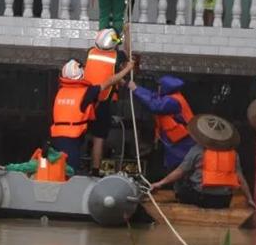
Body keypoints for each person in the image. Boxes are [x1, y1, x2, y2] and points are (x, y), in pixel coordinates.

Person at [149, 114, 255, 210]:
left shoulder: (197, 150)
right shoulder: (233, 153)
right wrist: (249, 198)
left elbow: (180, 171)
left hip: (201, 197)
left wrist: (160, 183)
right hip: (224, 199)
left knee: (180, 182)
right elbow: (241, 178)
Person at [49, 57, 134, 173]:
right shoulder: (86, 92)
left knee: (57, 170)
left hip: (56, 137)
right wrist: (127, 69)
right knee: (70, 171)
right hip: (72, 138)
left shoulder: (60, 92)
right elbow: (109, 81)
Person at [84, 28, 129, 174]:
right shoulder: (118, 56)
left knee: (80, 133)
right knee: (99, 138)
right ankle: (95, 170)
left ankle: (76, 166)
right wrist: (127, 33)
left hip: (86, 98)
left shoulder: (90, 52)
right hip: (103, 102)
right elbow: (128, 56)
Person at [128, 75, 195, 172]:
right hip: (175, 140)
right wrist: (136, 88)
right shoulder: (171, 97)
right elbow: (152, 96)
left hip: (181, 143)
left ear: (165, 87)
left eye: (159, 86)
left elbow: (155, 105)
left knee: (178, 169)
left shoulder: (172, 101)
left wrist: (135, 90)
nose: (157, 88)